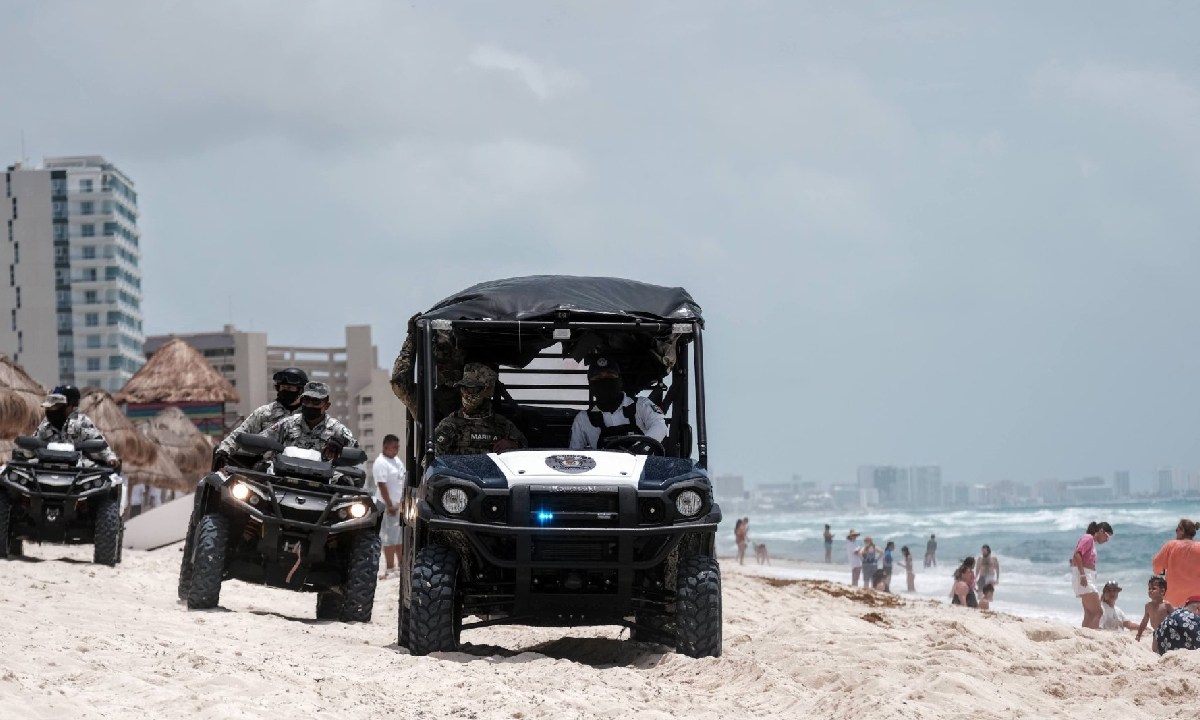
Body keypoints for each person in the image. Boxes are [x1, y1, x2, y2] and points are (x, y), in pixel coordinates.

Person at [212, 367, 308, 470]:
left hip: (302, 470)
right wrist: (223, 451)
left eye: (289, 388)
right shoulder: (265, 413)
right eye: (282, 388)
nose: (285, 391)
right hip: (267, 471)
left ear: (301, 390)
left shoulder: (309, 416)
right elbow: (240, 433)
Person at [568, 356, 668, 451]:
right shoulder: (583, 419)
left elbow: (660, 427)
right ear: (591, 384)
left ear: (619, 381)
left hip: (641, 466)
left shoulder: (641, 406)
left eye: (610, 375)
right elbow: (575, 454)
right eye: (598, 378)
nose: (604, 382)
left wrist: (642, 448)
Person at [433, 363, 527, 456]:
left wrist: (512, 444)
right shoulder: (450, 425)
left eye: (472, 389)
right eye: (463, 388)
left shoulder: (503, 425)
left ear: (487, 391)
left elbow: (525, 452)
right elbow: (432, 463)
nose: (466, 394)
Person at [260, 382, 358, 461]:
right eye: (306, 400)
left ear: (326, 405)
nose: (310, 405)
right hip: (284, 476)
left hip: (324, 480)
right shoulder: (287, 424)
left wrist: (341, 443)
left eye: (316, 401)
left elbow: (355, 450)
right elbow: (261, 440)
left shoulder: (336, 429)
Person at [30, 386, 120, 469]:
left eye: (54, 408)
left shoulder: (81, 422)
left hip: (78, 467)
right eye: (48, 409)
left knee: (106, 479)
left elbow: (97, 440)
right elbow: (33, 442)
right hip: (48, 465)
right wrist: (24, 452)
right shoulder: (46, 424)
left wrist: (110, 458)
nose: (50, 412)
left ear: (67, 406)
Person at [372, 433, 404, 580]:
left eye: (398, 447)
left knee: (400, 537)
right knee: (389, 538)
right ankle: (390, 568)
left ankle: (401, 566)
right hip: (388, 506)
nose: (396, 450)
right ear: (386, 447)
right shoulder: (381, 462)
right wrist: (389, 505)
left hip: (400, 506)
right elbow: (382, 485)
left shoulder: (397, 461)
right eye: (394, 447)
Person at [1071, 521, 1114, 629]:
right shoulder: (1088, 538)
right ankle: (1093, 635)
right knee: (1098, 612)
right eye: (1107, 536)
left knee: (1089, 613)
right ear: (1101, 531)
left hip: (1087, 576)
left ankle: (1085, 635)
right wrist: (1082, 575)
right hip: (1085, 577)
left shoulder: (1091, 541)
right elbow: (1077, 554)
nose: (1107, 540)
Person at [1151, 519, 1200, 608]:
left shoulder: (1171, 545)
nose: (1176, 531)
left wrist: (1160, 571)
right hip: (1196, 600)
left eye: (1177, 529)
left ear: (1182, 531)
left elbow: (1156, 565)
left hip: (1173, 601)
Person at [1136, 575, 1173, 652]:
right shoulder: (1148, 606)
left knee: (1169, 649)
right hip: (1156, 632)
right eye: (1149, 588)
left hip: (1167, 632)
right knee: (1155, 650)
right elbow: (1144, 621)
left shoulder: (1166, 605)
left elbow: (1176, 618)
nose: (1150, 590)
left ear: (1162, 591)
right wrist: (1139, 634)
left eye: (1153, 588)